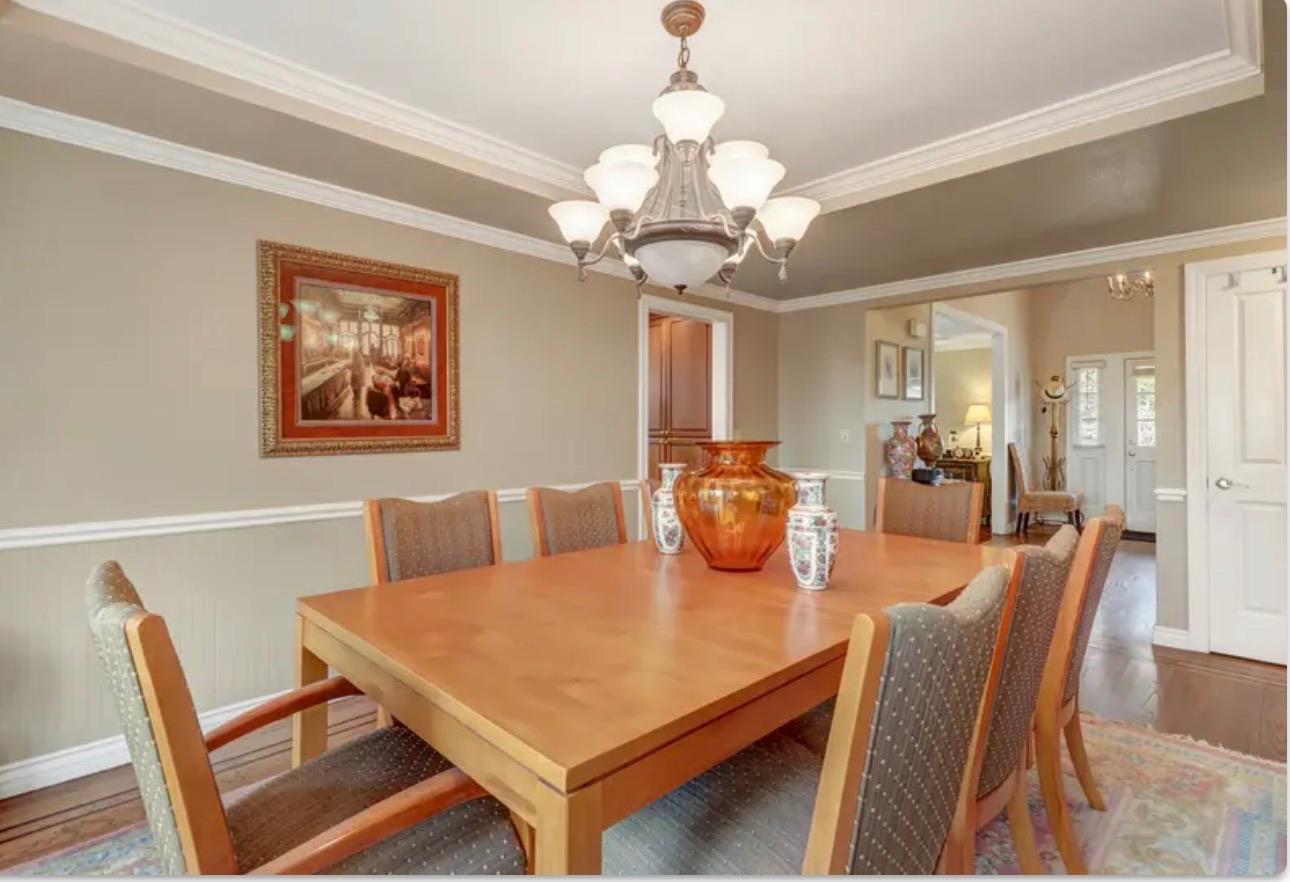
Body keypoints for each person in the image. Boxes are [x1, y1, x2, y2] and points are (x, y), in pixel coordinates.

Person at [348, 347, 365, 418]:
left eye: (353, 352)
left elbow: (361, 369)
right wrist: (349, 367)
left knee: (358, 389)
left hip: (358, 377)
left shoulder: (360, 359)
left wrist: (356, 373)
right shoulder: (354, 358)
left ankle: (357, 410)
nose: (352, 354)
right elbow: (352, 365)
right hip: (354, 377)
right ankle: (356, 399)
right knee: (354, 388)